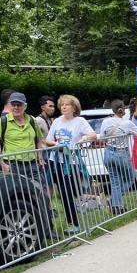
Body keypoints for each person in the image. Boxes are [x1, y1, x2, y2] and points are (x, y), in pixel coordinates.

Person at [43, 94, 98, 233]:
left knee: (67, 191)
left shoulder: (80, 121)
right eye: (62, 105)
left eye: (67, 104)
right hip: (55, 160)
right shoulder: (56, 121)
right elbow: (48, 140)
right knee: (61, 193)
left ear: (74, 107)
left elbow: (93, 135)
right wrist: (56, 144)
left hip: (71, 162)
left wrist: (84, 138)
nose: (64, 107)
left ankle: (75, 224)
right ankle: (69, 223)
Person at [0, 92, 45, 182]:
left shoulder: (32, 120)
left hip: (32, 163)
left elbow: (38, 139)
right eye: (13, 105)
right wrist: (2, 164)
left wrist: (40, 157)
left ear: (25, 106)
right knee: (17, 190)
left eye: (19, 105)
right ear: (10, 106)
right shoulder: (3, 121)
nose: (16, 107)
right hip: (13, 164)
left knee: (39, 188)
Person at [100, 99, 137, 214]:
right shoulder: (127, 123)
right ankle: (114, 202)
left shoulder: (105, 122)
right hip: (121, 154)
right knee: (131, 177)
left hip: (108, 153)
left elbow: (102, 138)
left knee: (115, 181)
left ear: (112, 110)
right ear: (123, 109)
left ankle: (116, 206)